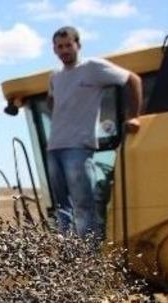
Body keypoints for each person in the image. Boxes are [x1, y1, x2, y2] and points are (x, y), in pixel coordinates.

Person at [46, 26, 142, 240]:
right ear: (54, 50)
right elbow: (52, 102)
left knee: (83, 205)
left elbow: (133, 80)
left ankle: (89, 255)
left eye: (68, 45)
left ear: (78, 45)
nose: (64, 50)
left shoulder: (92, 68)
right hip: (54, 147)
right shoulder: (54, 77)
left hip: (78, 146)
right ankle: (68, 253)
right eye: (59, 47)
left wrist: (134, 116)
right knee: (62, 208)